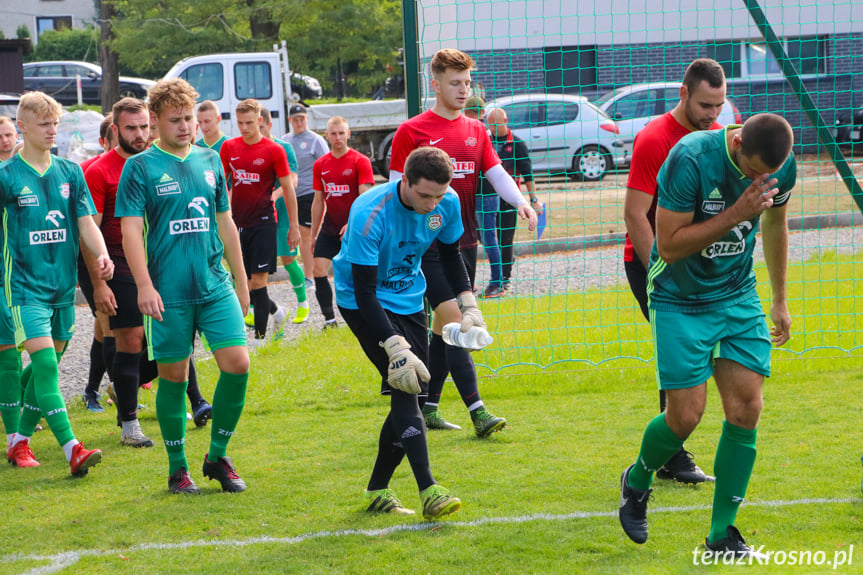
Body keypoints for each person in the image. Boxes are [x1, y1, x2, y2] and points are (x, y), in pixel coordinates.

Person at [618, 113, 796, 558]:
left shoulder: (780, 169)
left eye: (767, 175)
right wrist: (738, 212)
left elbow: (775, 223)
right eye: (752, 172)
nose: (760, 181)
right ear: (736, 142)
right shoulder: (690, 158)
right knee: (685, 416)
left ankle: (721, 535)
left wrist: (779, 297)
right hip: (679, 296)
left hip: (737, 294)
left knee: (746, 408)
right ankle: (638, 478)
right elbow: (670, 244)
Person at [388, 48, 536, 436]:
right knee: (460, 323)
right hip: (426, 250)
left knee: (442, 331)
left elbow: (496, 171)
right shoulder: (412, 131)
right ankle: (479, 412)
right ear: (434, 84)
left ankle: (429, 407)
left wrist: (521, 201)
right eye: (455, 83)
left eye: (467, 82)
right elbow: (392, 188)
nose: (463, 90)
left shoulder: (475, 130)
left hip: (462, 245)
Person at [117, 78, 251, 494]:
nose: (185, 126)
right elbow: (130, 231)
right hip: (167, 293)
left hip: (214, 284)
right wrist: (143, 285)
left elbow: (226, 223)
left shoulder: (211, 160)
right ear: (155, 121)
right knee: (173, 376)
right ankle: (178, 468)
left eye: (189, 118)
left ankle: (217, 456)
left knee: (239, 364)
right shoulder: (139, 167)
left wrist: (242, 281)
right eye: (175, 120)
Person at [334, 147, 468, 519]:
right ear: (404, 181)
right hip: (363, 302)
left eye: (439, 196)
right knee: (405, 385)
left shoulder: (447, 202)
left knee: (413, 390)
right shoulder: (369, 211)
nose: (432, 204)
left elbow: (451, 254)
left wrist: (468, 302)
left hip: (409, 297)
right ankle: (430, 490)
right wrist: (395, 346)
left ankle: (377, 490)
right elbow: (363, 291)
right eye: (424, 195)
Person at [622, 59, 730, 485]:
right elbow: (634, 215)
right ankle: (671, 455)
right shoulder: (655, 139)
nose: (713, 115)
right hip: (653, 264)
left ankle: (670, 450)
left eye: (720, 106)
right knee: (682, 357)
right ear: (684, 94)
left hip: (700, 267)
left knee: (703, 356)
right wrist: (662, 276)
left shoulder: (720, 137)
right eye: (705, 105)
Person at [2, 91, 112, 475]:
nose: (52, 131)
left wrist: (102, 254)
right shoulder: (6, 177)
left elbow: (86, 225)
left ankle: (18, 441)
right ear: (23, 127)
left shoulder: (70, 173)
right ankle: (72, 449)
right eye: (44, 124)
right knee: (46, 364)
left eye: (55, 124)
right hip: (24, 289)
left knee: (44, 369)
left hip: (64, 289)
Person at [220, 98, 299, 345]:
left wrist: (294, 227)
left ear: (260, 121)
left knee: (259, 281)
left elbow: (288, 188)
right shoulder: (229, 148)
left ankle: (259, 339)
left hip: (264, 221)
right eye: (240, 123)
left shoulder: (274, 150)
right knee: (241, 280)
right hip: (236, 222)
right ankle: (277, 312)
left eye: (249, 123)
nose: (244, 128)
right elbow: (221, 186)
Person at [311, 116, 375, 328]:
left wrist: (353, 223)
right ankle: (330, 320)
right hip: (330, 228)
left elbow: (365, 197)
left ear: (348, 134)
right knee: (318, 269)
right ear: (326, 136)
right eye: (333, 133)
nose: (338, 137)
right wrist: (313, 234)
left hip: (354, 228)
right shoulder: (320, 164)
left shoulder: (360, 161)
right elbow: (318, 200)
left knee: (357, 273)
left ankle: (366, 314)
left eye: (341, 133)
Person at [78, 112, 118, 412]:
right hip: (94, 260)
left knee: (104, 329)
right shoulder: (90, 170)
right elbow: (85, 225)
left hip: (122, 259)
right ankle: (105, 394)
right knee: (108, 327)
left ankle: (97, 390)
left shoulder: (136, 166)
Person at [483, 107, 542, 294]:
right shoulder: (486, 141)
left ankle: (504, 278)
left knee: (505, 239)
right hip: (487, 200)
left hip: (509, 201)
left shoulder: (517, 144)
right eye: (490, 124)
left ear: (506, 120)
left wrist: (533, 199)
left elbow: (528, 174)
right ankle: (503, 265)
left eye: (496, 124)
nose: (492, 128)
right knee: (486, 237)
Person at [259, 107, 309, 324]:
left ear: (269, 125)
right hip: (259, 216)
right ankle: (256, 309)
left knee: (288, 259)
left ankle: (303, 302)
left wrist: (274, 194)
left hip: (283, 213)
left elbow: (294, 180)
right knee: (255, 263)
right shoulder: (249, 148)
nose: (256, 132)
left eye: (260, 127)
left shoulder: (284, 148)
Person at [282, 103, 329, 288]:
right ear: (290, 121)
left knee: (307, 234)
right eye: (295, 120)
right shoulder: (285, 141)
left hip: (310, 192)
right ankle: (308, 274)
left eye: (302, 119)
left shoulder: (315, 140)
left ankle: (309, 276)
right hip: (292, 194)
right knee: (298, 235)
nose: (299, 123)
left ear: (307, 119)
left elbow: (326, 164)